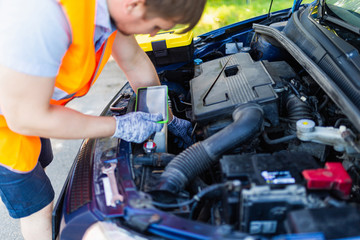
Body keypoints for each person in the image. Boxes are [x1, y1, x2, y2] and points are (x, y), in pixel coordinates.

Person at [0, 0, 206, 239]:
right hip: (8, 125)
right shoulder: (46, 18)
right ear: (134, 5)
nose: (152, 33)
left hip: (32, 101)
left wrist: (167, 118)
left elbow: (134, 61)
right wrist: (118, 126)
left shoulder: (107, 10)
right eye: (156, 25)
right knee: (37, 205)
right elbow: (25, 118)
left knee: (40, 163)